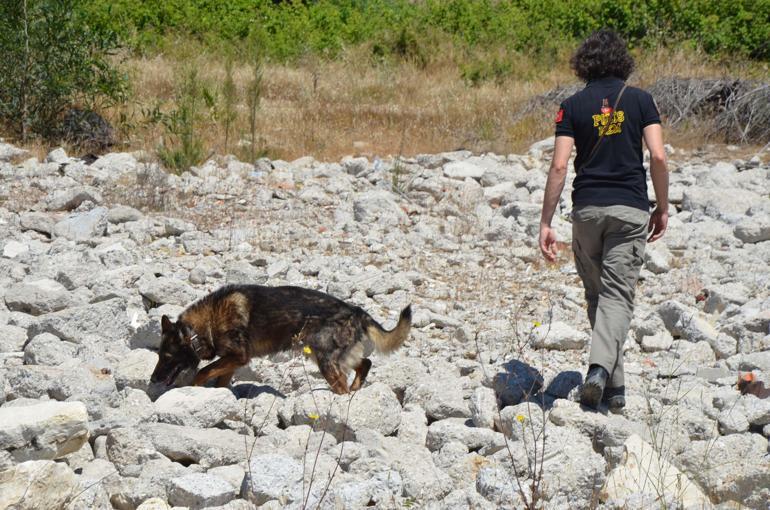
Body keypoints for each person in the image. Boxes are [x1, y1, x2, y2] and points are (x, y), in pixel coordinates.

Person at [538, 29, 669, 411]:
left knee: (599, 296)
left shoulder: (572, 105)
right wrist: (661, 206)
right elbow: (658, 157)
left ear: (584, 64)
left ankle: (614, 390)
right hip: (629, 209)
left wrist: (546, 221)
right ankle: (599, 369)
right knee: (617, 295)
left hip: (587, 212)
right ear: (622, 61)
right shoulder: (642, 100)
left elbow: (560, 165)